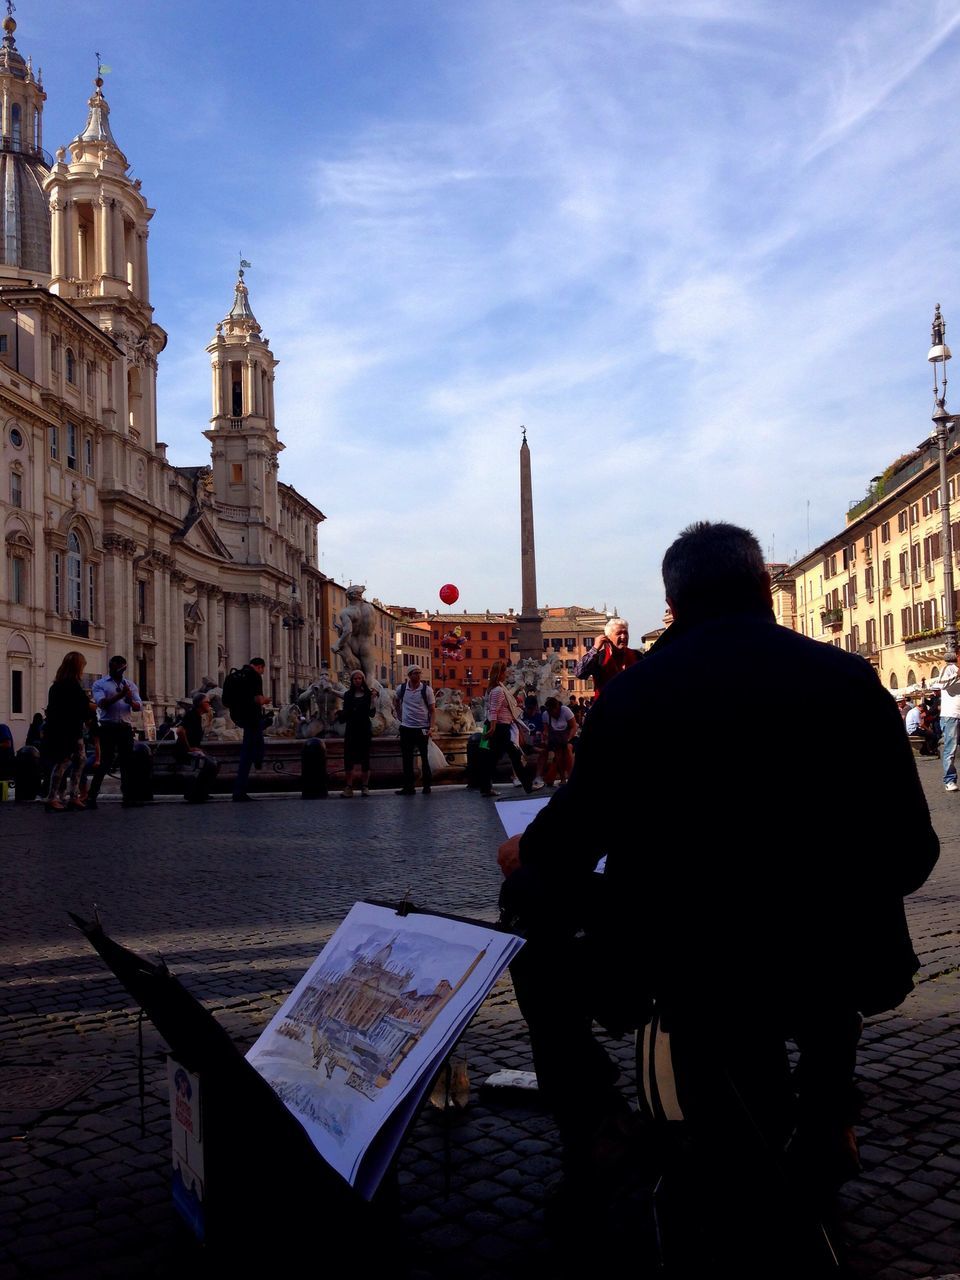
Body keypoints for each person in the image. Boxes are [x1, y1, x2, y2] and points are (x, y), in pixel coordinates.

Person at [498, 521, 938, 1212]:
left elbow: (567, 844)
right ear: (764, 586)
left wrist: (529, 853)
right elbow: (914, 853)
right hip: (834, 955)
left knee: (529, 915)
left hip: (678, 956)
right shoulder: (850, 681)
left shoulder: (634, 696)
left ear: (672, 603)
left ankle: (598, 1119)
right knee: (836, 922)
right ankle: (828, 1112)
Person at [42, 651, 98, 813]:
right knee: (64, 761)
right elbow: (82, 706)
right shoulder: (71, 686)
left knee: (79, 759)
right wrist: (99, 705)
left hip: (66, 729)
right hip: (67, 731)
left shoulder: (57, 686)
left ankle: (73, 795)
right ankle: (52, 797)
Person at [88, 655, 142, 809]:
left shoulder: (130, 685)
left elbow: (139, 706)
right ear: (110, 667)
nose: (119, 671)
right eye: (116, 668)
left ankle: (128, 796)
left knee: (127, 762)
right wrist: (120, 695)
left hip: (125, 726)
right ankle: (92, 796)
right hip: (108, 726)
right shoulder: (100, 684)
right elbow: (102, 704)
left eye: (121, 668)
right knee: (105, 761)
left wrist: (130, 700)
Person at [479, 661, 535, 797]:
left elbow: (500, 707)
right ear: (500, 673)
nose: (507, 674)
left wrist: (515, 704)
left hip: (501, 727)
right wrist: (492, 728)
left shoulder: (499, 688)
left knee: (496, 758)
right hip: (500, 728)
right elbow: (493, 710)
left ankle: (486, 788)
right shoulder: (498, 690)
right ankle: (528, 786)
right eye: (505, 672)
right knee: (512, 756)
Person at [229, 658, 269, 802]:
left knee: (253, 747)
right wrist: (266, 700)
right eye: (263, 670)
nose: (262, 673)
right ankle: (239, 791)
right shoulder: (254, 676)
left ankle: (258, 759)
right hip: (253, 718)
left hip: (241, 718)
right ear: (259, 667)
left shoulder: (238, 675)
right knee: (249, 754)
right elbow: (258, 699)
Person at [573, 618, 642, 700]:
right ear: (607, 638)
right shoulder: (599, 657)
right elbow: (579, 673)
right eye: (619, 633)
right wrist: (595, 649)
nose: (623, 637)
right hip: (605, 708)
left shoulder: (637, 656)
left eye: (625, 633)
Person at [394, 666, 435, 796]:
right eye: (415, 673)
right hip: (406, 728)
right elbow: (396, 702)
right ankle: (408, 787)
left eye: (419, 673)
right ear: (409, 675)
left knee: (424, 757)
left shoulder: (427, 690)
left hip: (422, 728)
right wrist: (401, 717)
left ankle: (427, 786)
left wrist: (431, 727)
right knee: (407, 759)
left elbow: (432, 710)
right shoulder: (401, 689)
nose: (418, 675)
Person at [338, 669, 377, 797]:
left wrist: (373, 699)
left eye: (360, 678)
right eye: (355, 678)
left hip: (364, 729)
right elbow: (345, 711)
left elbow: (372, 713)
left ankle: (365, 786)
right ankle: (349, 787)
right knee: (349, 759)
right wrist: (340, 714)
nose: (357, 680)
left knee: (365, 759)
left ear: (363, 680)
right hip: (351, 730)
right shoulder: (348, 695)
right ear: (352, 680)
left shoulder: (367, 694)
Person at [538, 695, 577, 786]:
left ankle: (571, 777)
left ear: (557, 708)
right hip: (555, 739)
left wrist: (568, 739)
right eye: (549, 711)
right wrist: (545, 737)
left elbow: (574, 727)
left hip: (569, 737)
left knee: (567, 749)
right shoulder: (546, 715)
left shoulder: (565, 711)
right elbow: (546, 730)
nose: (551, 713)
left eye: (552, 711)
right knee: (558, 753)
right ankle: (563, 778)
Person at [939, 654, 960, 791]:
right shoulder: (949, 669)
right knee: (950, 749)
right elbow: (942, 683)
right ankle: (949, 780)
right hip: (951, 715)